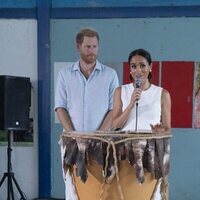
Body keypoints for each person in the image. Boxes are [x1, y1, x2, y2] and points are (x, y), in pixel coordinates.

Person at [54, 27, 119, 200]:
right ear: (78, 47)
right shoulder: (65, 75)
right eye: (88, 47)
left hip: (102, 142)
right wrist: (74, 135)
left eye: (95, 47)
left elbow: (114, 109)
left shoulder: (110, 75)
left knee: (102, 188)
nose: (92, 51)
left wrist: (98, 136)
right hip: (71, 142)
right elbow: (60, 107)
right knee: (73, 189)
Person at [110, 48, 171, 200]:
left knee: (150, 194)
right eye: (133, 66)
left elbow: (168, 129)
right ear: (130, 70)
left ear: (150, 67)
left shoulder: (162, 94)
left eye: (142, 65)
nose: (138, 70)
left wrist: (160, 132)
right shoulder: (120, 91)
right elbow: (115, 124)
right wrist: (131, 104)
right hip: (124, 152)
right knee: (126, 193)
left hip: (151, 152)